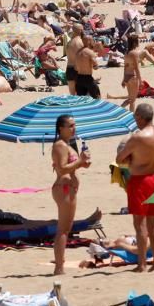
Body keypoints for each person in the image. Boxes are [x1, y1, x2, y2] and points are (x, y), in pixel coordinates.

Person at [115, 104, 154, 272]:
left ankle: (142, 264)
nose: (135, 120)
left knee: (140, 225)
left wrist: (129, 159)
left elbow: (120, 158)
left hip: (140, 181)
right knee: (152, 223)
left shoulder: (138, 137)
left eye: (136, 117)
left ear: (141, 118)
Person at [50, 114, 91, 275]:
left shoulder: (68, 145)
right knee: (63, 230)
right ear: (61, 128)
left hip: (68, 188)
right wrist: (80, 162)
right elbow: (61, 169)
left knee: (66, 228)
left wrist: (82, 164)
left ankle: (59, 265)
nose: (74, 128)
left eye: (75, 125)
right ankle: (59, 267)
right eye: (71, 126)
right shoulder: (60, 145)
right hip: (64, 188)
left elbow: (71, 166)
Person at [120, 35, 154, 111]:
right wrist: (140, 81)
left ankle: (119, 109)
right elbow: (136, 68)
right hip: (133, 77)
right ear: (134, 43)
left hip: (127, 77)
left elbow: (125, 67)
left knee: (130, 99)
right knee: (133, 100)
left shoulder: (127, 53)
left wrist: (124, 79)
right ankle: (131, 117)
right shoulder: (134, 53)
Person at [73, 33, 100, 98]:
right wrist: (95, 65)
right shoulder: (90, 52)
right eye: (92, 40)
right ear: (89, 41)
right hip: (88, 78)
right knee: (97, 96)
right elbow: (95, 66)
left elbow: (75, 67)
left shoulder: (78, 52)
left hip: (78, 78)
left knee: (81, 99)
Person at [64, 23, 85, 95]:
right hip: (77, 69)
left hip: (69, 68)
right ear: (80, 30)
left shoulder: (69, 42)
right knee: (81, 94)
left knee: (72, 94)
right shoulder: (80, 42)